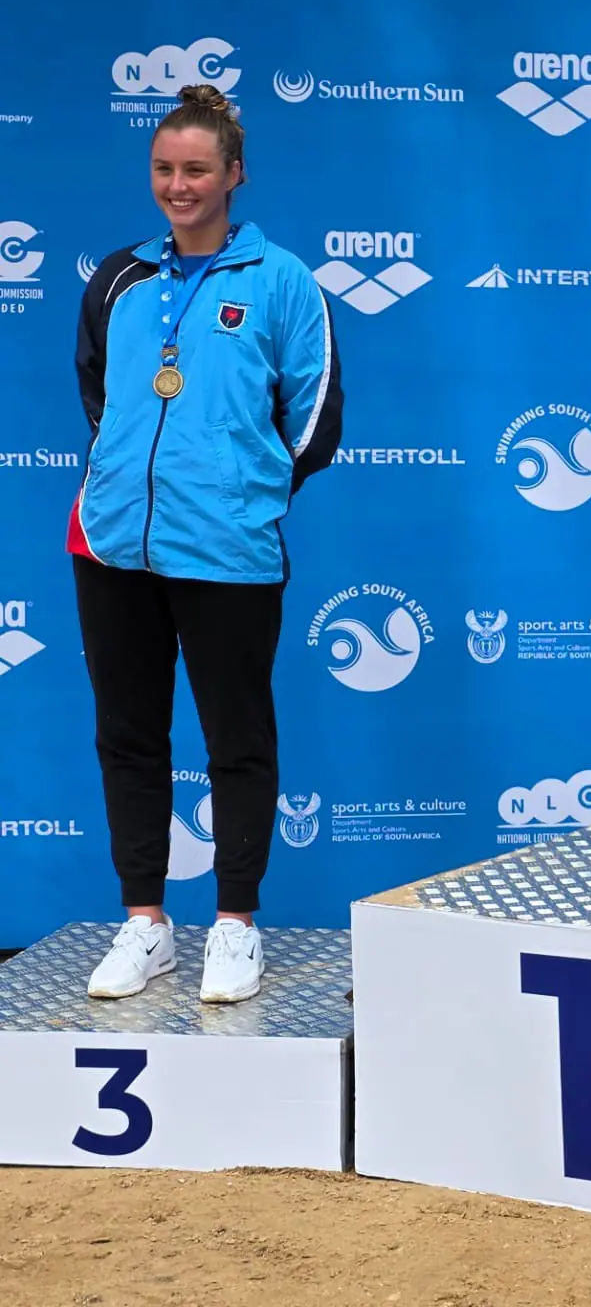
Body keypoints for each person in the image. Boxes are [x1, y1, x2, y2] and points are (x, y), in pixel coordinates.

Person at [69, 83, 343, 1003]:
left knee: (237, 739)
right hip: (113, 545)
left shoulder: (284, 282)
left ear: (234, 175)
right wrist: (124, 480)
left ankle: (235, 923)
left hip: (227, 548)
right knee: (129, 736)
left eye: (195, 170)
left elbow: (313, 419)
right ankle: (145, 922)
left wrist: (243, 495)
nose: (177, 186)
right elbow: (99, 397)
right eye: (163, 170)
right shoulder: (117, 278)